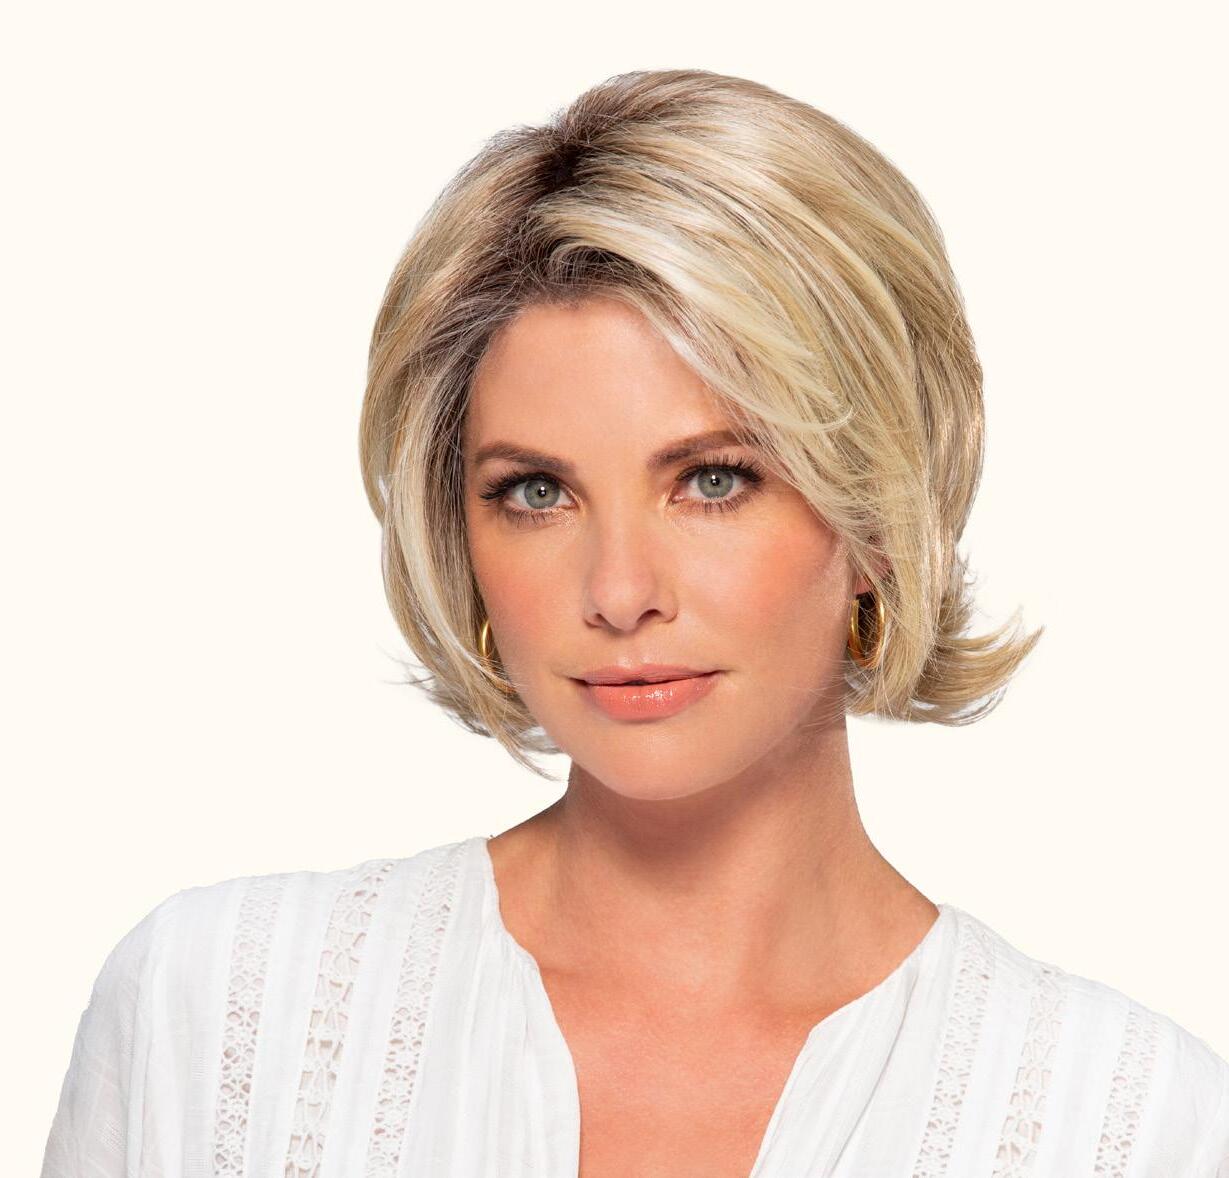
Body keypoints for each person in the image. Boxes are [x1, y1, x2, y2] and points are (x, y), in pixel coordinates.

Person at [41, 67, 1229, 1178]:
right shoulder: (221, 1009)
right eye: (535, 491)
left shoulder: (1122, 1121)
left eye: (712, 479)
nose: (617, 591)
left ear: (877, 514)